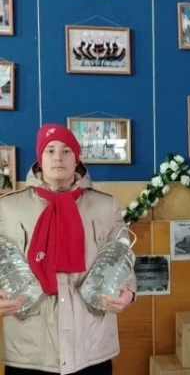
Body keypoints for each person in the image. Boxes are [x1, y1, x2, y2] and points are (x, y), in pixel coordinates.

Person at [0, 123, 136, 375]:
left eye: (66, 151)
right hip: (29, 349)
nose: (58, 157)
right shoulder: (8, 208)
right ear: (39, 159)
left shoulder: (105, 206)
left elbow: (122, 257)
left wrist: (128, 292)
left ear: (77, 159)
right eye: (50, 150)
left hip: (91, 346)